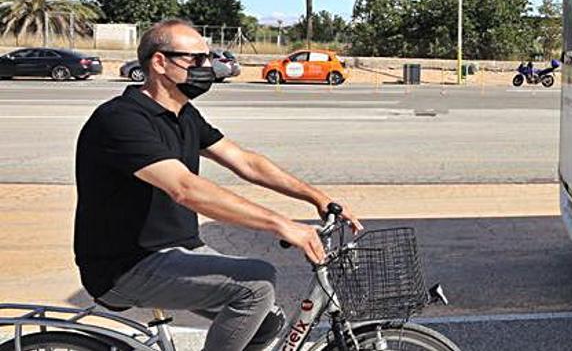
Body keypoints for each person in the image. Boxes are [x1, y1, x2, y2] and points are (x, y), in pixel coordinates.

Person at [74, 19, 363, 351]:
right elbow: (185, 188)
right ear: (159, 62)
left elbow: (245, 161)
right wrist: (281, 224)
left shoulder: (184, 114)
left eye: (208, 58)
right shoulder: (121, 120)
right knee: (255, 285)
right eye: (196, 60)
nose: (207, 67)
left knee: (267, 321)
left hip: (179, 251)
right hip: (126, 266)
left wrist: (317, 198)